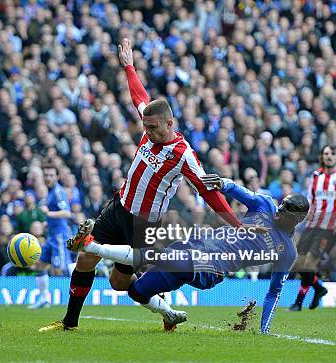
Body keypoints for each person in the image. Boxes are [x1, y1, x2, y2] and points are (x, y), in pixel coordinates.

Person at [39, 39, 255, 332]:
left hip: (144, 223)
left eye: (153, 128)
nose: (148, 131)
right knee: (86, 257)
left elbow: (209, 193)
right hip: (119, 206)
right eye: (145, 126)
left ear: (170, 123)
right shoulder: (150, 125)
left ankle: (167, 310)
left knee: (121, 283)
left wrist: (237, 225)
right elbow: (138, 95)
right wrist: (128, 66)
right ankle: (69, 323)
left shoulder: (183, 155)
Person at [67, 175, 310, 334]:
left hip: (212, 268)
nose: (278, 213)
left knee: (161, 256)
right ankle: (170, 315)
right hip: (198, 244)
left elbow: (275, 292)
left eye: (285, 212)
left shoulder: (286, 252)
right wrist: (223, 183)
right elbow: (239, 192)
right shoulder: (265, 205)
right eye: (280, 207)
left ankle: (90, 246)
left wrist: (265, 330)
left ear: (297, 219)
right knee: (136, 291)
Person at [289, 145, 336, 311]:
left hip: (331, 227)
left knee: (309, 263)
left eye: (332, 153)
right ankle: (319, 289)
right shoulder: (316, 176)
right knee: (297, 262)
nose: (329, 156)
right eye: (326, 154)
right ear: (322, 157)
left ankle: (298, 303)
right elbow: (310, 201)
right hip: (312, 224)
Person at [29, 165, 74, 309]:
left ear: (57, 177)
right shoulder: (50, 193)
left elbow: (67, 213)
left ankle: (91, 271)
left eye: (51, 175)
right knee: (40, 266)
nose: (48, 178)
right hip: (52, 236)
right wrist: (46, 223)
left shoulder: (58, 192)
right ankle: (43, 299)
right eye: (46, 175)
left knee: (62, 269)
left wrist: (48, 213)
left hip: (60, 236)